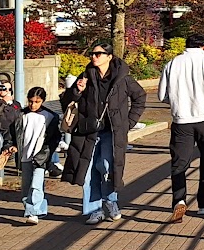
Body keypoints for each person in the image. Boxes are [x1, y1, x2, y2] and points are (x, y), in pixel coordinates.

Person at [62, 42, 147, 225]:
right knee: (87, 172)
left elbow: (140, 97)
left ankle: (110, 200)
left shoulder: (123, 79)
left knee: (107, 167)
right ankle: (94, 210)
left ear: (109, 57)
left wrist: (128, 122)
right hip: (88, 132)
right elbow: (67, 101)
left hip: (112, 132)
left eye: (99, 54)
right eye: (92, 54)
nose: (94, 57)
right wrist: (77, 91)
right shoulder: (86, 76)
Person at [160, 34, 204, 223]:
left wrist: (175, 103)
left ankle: (179, 200)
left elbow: (161, 94)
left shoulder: (172, 63)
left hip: (181, 120)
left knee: (179, 163)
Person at [12, 87, 60, 224]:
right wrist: (10, 146)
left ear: (43, 101)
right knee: (26, 186)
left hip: (41, 156)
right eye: (31, 101)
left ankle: (32, 213)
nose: (33, 105)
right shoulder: (21, 115)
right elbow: (12, 135)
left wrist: (46, 154)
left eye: (37, 102)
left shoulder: (50, 117)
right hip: (25, 155)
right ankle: (39, 209)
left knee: (36, 184)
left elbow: (54, 138)